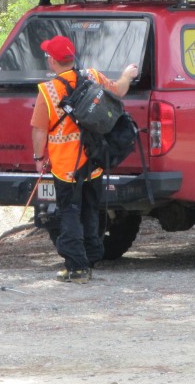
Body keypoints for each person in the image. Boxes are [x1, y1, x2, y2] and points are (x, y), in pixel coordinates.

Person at [30, 35, 138, 283]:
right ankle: (90, 258)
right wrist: (127, 75)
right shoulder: (93, 76)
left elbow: (39, 129)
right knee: (90, 210)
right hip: (94, 162)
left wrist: (39, 157)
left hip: (66, 168)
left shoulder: (47, 91)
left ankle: (76, 268)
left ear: (52, 61)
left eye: (48, 55)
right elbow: (119, 91)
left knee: (69, 213)